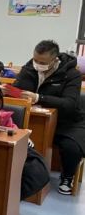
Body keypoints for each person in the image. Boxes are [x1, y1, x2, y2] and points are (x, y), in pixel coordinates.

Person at [14, 40, 85, 194]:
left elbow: (70, 103)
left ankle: (67, 176)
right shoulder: (28, 69)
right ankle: (24, 174)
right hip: (35, 119)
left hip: (67, 122)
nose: (37, 64)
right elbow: (17, 87)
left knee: (71, 147)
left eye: (42, 62)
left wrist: (39, 98)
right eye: (35, 60)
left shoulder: (71, 75)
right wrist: (9, 92)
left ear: (55, 60)